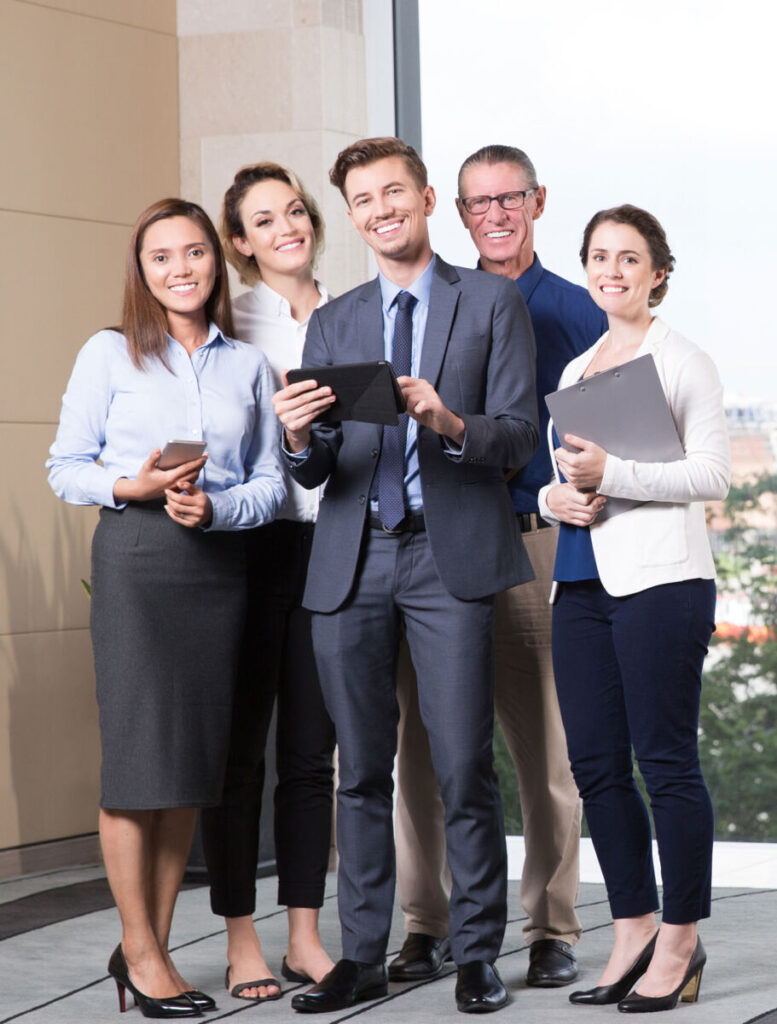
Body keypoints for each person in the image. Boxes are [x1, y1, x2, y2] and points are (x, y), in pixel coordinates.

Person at [272, 137, 539, 1015]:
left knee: (464, 764)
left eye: (394, 192)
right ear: (351, 217)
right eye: (362, 199)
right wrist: (298, 439)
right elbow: (316, 474)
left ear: (426, 199)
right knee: (359, 772)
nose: (381, 209)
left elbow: (516, 437)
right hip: (351, 560)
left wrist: (446, 418)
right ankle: (359, 957)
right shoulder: (335, 319)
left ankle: (475, 955)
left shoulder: (492, 302)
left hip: (447, 553)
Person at [46, 199, 285, 1019]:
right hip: (138, 563)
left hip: (215, 568)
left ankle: (154, 943)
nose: (181, 268)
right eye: (161, 257)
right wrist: (132, 486)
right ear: (140, 271)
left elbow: (271, 484)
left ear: (217, 263)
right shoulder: (108, 354)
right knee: (137, 766)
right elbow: (66, 467)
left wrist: (217, 509)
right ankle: (142, 952)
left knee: (189, 768)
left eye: (194, 253)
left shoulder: (247, 368)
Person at [392, 144, 608, 988]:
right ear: (456, 211)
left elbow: (606, 441)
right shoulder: (434, 299)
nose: (493, 215)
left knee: (543, 746)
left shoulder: (571, 311)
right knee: (422, 746)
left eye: (508, 199)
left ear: (537, 201)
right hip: (435, 547)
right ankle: (425, 921)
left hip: (529, 540)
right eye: (477, 202)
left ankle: (552, 926)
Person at [537, 205, 730, 1012]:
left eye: (627, 258)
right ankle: (632, 927)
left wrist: (611, 473)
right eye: (597, 257)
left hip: (660, 585)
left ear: (657, 271)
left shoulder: (683, 360)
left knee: (665, 765)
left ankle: (680, 941)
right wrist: (556, 498)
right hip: (579, 583)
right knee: (594, 770)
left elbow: (708, 476)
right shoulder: (580, 370)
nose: (610, 270)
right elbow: (563, 480)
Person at [199, 162, 335, 1002]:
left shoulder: (356, 311)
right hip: (247, 548)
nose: (286, 226)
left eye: (294, 210)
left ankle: (305, 935)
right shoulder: (228, 323)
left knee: (310, 754)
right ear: (241, 244)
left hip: (330, 548)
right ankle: (240, 937)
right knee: (239, 755)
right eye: (263, 219)